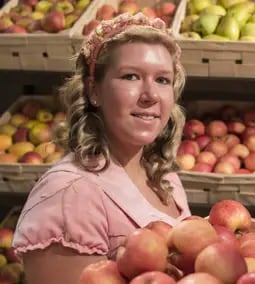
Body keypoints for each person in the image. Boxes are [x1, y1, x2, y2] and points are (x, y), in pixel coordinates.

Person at [11, 12, 191, 284]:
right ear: (94, 90)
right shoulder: (68, 195)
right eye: (131, 76)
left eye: (162, 80)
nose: (151, 95)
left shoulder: (164, 177)